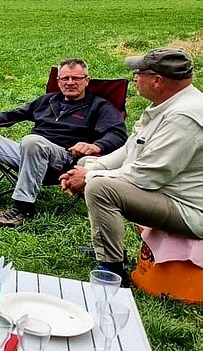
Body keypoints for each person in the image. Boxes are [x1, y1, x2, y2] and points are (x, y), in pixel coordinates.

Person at [61, 48, 203, 285]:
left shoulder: (184, 118)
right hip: (168, 191)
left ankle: (112, 269)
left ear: (158, 80)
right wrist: (89, 169)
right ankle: (107, 245)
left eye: (139, 73)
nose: (135, 78)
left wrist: (88, 178)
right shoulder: (168, 103)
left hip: (190, 209)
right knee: (88, 164)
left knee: (100, 188)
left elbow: (146, 175)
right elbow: (130, 150)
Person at [0, 58, 127, 227]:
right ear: (58, 81)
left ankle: (23, 208)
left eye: (76, 78)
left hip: (63, 158)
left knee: (32, 141)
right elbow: (17, 113)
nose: (70, 82)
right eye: (65, 78)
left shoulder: (99, 106)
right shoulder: (48, 100)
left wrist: (95, 146)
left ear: (86, 80)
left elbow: (117, 134)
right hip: (28, 152)